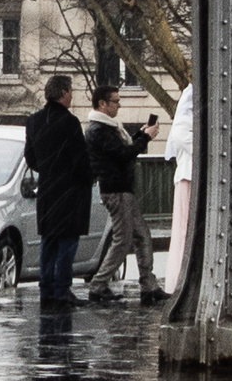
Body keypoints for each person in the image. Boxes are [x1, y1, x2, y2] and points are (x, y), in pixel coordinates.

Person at [85, 85, 168, 304]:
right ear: (102, 103)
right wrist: (146, 139)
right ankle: (99, 284)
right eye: (115, 101)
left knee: (141, 234)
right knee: (123, 240)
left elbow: (121, 150)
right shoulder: (99, 129)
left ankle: (149, 285)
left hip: (121, 189)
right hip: (117, 190)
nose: (119, 105)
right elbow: (123, 154)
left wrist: (140, 134)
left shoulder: (107, 127)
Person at [25, 74, 93, 309]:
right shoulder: (69, 122)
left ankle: (47, 288)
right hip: (69, 190)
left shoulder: (34, 121)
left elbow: (30, 157)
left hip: (47, 189)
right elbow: (80, 159)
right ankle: (62, 289)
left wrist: (48, 168)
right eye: (70, 91)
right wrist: (86, 178)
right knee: (67, 240)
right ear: (63, 93)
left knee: (49, 240)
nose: (72, 95)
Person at [163, 84, 193, 294]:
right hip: (187, 178)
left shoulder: (185, 123)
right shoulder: (183, 124)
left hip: (188, 177)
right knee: (184, 229)